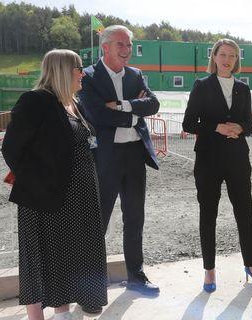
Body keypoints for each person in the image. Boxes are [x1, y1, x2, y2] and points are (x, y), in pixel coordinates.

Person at [2, 49, 107, 320]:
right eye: (78, 68)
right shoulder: (35, 101)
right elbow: (12, 149)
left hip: (77, 197)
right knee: (41, 260)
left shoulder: (73, 102)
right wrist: (40, 181)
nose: (83, 73)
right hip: (45, 200)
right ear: (63, 70)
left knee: (69, 257)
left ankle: (63, 314)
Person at [78, 25, 160, 296]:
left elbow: (154, 104)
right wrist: (136, 112)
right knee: (97, 220)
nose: (127, 51)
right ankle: (92, 283)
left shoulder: (136, 75)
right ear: (105, 47)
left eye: (129, 45)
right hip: (106, 158)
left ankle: (136, 276)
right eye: (120, 45)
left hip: (135, 156)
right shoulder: (89, 77)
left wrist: (123, 106)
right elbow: (97, 115)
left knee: (135, 218)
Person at [182, 38, 252, 293]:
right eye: (223, 54)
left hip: (238, 159)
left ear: (236, 60)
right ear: (215, 57)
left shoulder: (244, 88)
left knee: (245, 213)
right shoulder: (202, 85)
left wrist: (241, 128)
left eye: (232, 55)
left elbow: (250, 126)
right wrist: (215, 127)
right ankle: (209, 271)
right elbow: (188, 123)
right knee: (208, 215)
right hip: (208, 160)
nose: (227, 59)